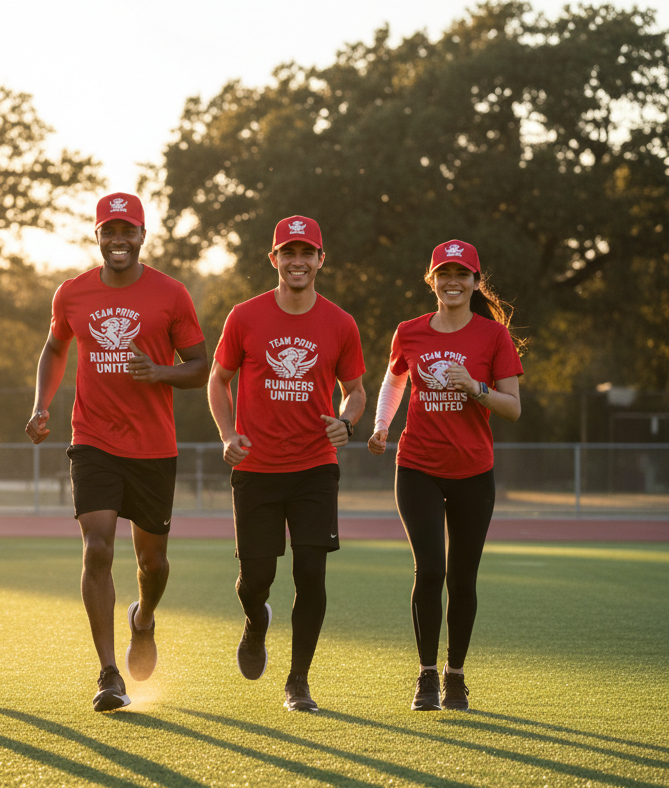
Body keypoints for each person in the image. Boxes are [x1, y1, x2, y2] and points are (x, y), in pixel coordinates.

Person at [26, 192, 207, 712]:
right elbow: (55, 347)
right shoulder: (73, 293)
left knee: (153, 563)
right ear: (98, 236)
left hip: (153, 446)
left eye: (128, 231)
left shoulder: (171, 295)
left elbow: (199, 365)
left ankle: (143, 618)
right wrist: (42, 405)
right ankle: (108, 673)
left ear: (142, 236)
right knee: (98, 549)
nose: (118, 240)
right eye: (110, 231)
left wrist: (160, 372)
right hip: (93, 440)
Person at [207, 215, 366, 712]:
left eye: (307, 252)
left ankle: (298, 681)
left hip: (315, 467)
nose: (298, 261)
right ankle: (256, 623)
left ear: (321, 259)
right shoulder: (245, 316)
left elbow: (356, 390)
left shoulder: (340, 323)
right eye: (288, 252)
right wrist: (227, 434)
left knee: (311, 574)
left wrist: (347, 421)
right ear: (274, 259)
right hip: (255, 468)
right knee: (256, 579)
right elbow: (218, 380)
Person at [367, 239, 523, 712]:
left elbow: (513, 408)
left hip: (474, 471)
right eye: (444, 274)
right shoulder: (409, 332)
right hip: (417, 466)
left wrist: (475, 388)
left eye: (463, 274)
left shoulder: (493, 337)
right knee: (431, 568)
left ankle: (456, 676)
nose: (453, 282)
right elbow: (394, 380)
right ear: (431, 280)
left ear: (476, 282)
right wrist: (380, 425)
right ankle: (427, 676)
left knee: (463, 576)